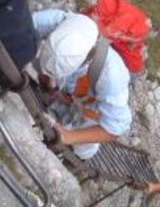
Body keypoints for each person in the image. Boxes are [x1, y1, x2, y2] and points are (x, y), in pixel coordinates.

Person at [32, 9, 132, 159]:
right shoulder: (60, 23)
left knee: (83, 146)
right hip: (70, 92)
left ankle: (76, 158)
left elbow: (113, 129)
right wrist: (50, 84)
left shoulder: (111, 77)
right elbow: (27, 25)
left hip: (92, 107)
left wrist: (67, 136)